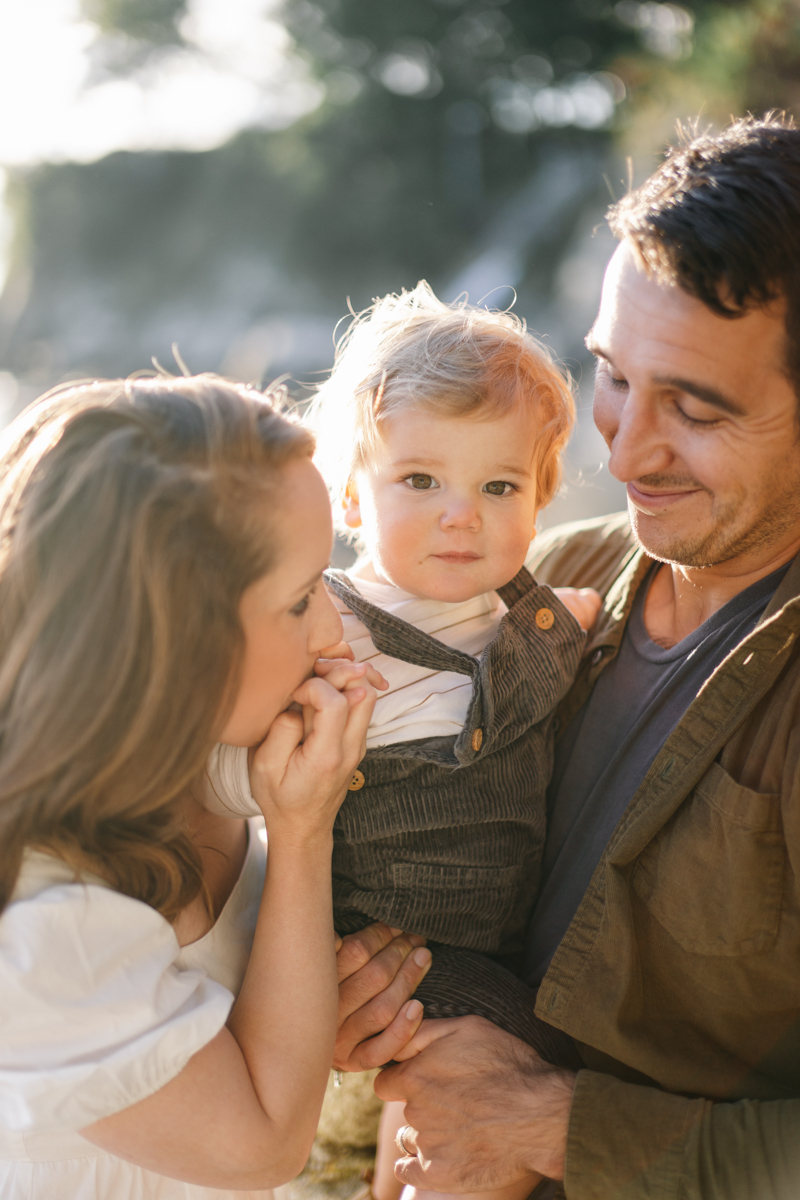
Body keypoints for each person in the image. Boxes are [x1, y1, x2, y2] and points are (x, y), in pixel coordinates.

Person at [335, 115, 800, 1200]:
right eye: (612, 377)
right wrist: (354, 986)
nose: (623, 449)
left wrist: (547, 1124)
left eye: (693, 410)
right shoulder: (541, 581)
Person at [198, 284, 600, 1200]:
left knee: (469, 1076)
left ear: (542, 500)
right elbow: (222, 753)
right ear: (347, 494)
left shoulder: (533, 622)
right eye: (420, 480)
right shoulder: (331, 624)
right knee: (506, 1055)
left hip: (494, 936)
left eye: (499, 487)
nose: (462, 514)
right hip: (372, 932)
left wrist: (575, 626)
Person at [0, 374, 390, 1199]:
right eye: (299, 601)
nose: (334, 628)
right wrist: (303, 832)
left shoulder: (209, 756)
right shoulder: (38, 924)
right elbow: (262, 1142)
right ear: (175, 645)